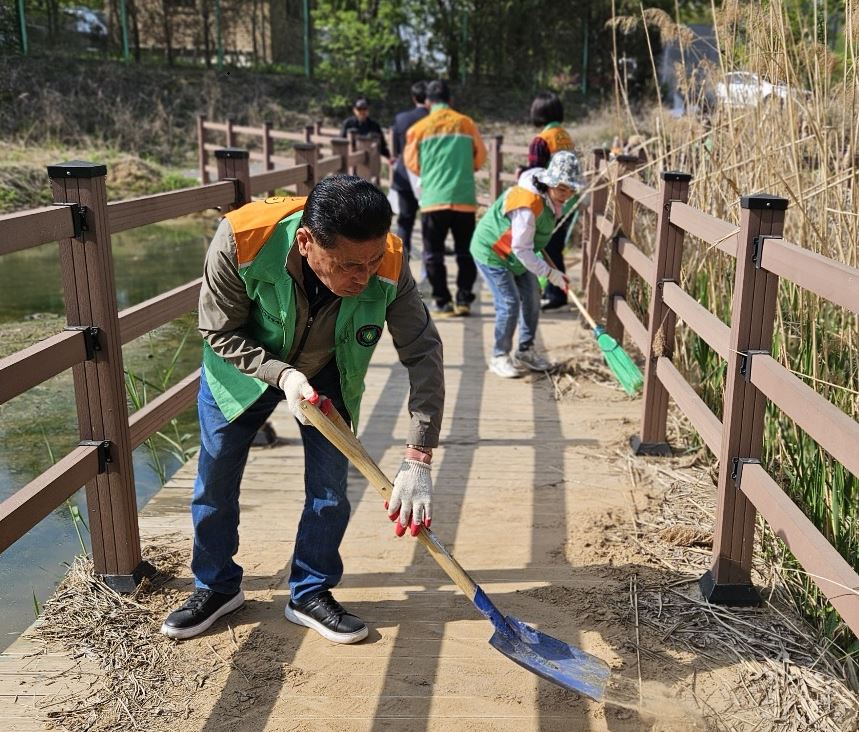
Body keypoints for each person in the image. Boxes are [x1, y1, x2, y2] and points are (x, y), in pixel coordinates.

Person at [161, 176, 444, 644]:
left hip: (329, 363)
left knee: (330, 486)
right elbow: (219, 331)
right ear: (307, 241)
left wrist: (418, 454)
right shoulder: (242, 238)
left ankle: (310, 591)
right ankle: (215, 587)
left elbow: (423, 351)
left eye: (373, 261)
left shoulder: (388, 258)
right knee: (215, 479)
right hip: (242, 366)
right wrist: (283, 375)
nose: (366, 276)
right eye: (351, 266)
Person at [470, 151, 585, 379]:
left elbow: (527, 243)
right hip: (492, 251)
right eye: (562, 189)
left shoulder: (551, 197)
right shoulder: (527, 203)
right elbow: (521, 248)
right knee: (509, 302)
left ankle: (525, 350)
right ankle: (499, 356)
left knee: (533, 295)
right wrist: (550, 273)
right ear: (549, 183)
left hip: (518, 254)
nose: (566, 195)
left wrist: (553, 272)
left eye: (571, 190)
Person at [404, 79, 486, 316]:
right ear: (450, 100)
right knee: (465, 252)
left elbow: (411, 163)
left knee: (433, 254)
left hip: (433, 199)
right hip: (464, 198)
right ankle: (464, 299)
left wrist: (431, 173)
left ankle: (443, 302)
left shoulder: (418, 129)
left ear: (428, 102)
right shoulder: (466, 124)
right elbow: (480, 158)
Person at [520, 92, 577, 311]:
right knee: (555, 247)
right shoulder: (565, 136)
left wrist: (521, 174)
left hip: (550, 202)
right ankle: (556, 291)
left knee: (545, 247)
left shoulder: (541, 140)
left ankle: (555, 293)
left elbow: (537, 173)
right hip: (567, 200)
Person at [390, 81, 430, 256]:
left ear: (413, 98)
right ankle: (429, 267)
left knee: (405, 221)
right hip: (430, 176)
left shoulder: (401, 119)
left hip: (405, 175)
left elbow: (397, 150)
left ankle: (401, 265)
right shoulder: (435, 119)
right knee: (430, 222)